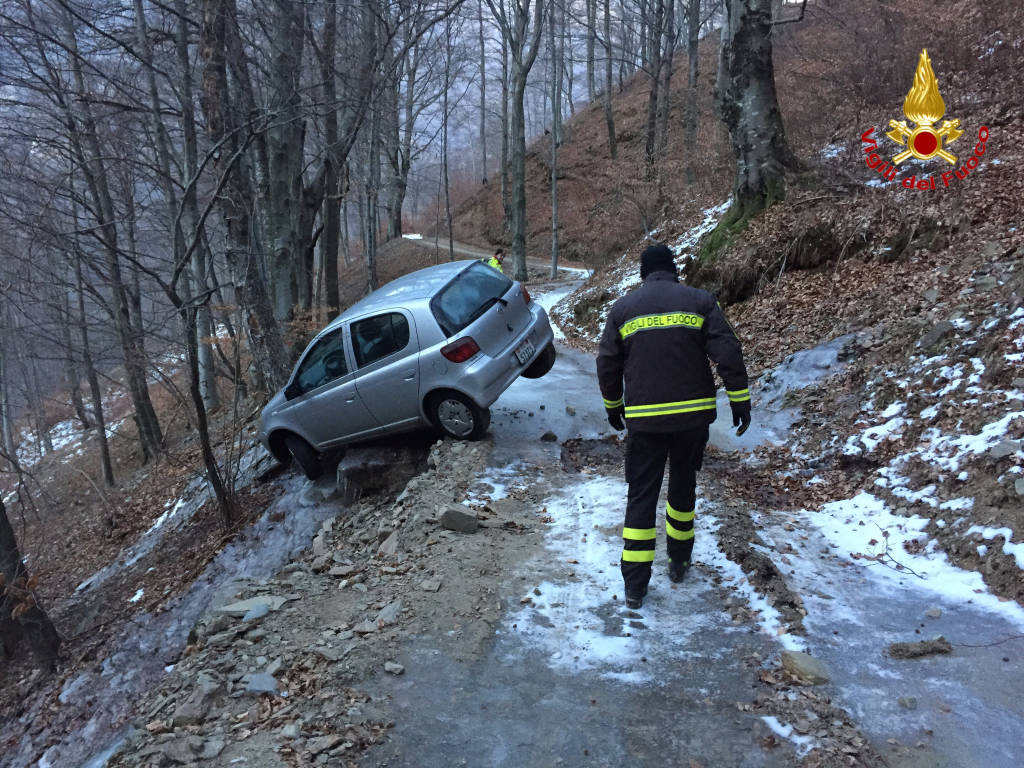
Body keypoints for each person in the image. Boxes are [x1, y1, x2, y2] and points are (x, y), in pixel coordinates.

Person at [596, 243, 751, 609]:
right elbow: (728, 351)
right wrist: (740, 399)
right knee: (683, 488)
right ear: (674, 270)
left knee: (641, 496)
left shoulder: (623, 309)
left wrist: (613, 405)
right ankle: (679, 563)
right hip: (692, 419)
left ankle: (635, 587)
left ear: (642, 273)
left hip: (645, 421)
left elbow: (607, 363)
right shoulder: (700, 301)